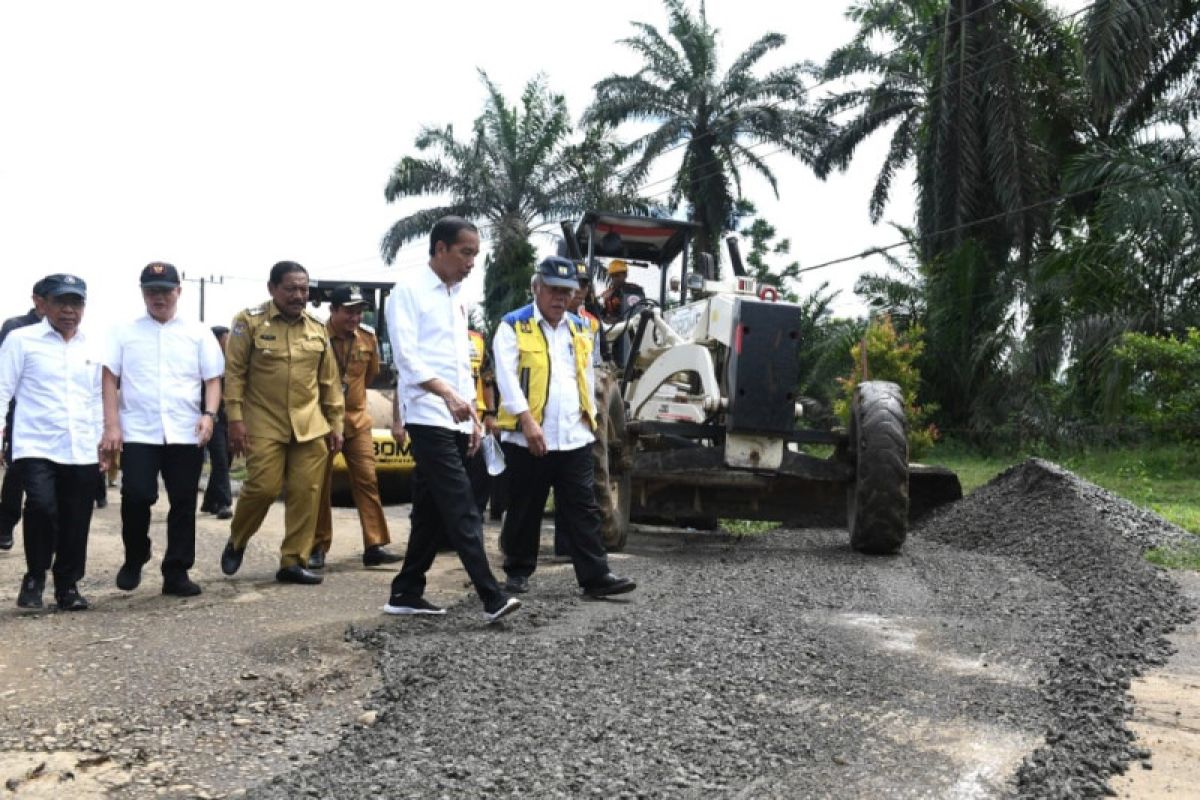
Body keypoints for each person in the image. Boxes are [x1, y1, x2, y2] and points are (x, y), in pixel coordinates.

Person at [382, 215, 520, 623]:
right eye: (465, 252)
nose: (471, 262)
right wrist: (446, 395)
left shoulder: (457, 297)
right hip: (427, 414)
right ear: (439, 249)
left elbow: (465, 367)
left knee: (430, 509)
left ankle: (406, 591)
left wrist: (473, 418)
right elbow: (406, 358)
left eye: (475, 254)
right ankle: (491, 596)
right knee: (461, 505)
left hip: (457, 418)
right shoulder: (408, 292)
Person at [493, 256, 636, 599]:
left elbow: (585, 376)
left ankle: (595, 576)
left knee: (583, 509)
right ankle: (517, 572)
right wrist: (526, 420)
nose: (560, 298)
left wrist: (590, 420)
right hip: (529, 437)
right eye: (554, 290)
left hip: (573, 436)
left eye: (567, 291)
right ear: (537, 287)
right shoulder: (514, 325)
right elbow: (507, 378)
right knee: (526, 506)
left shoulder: (580, 328)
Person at [101, 262, 225, 597]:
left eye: (165, 290)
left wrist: (209, 414)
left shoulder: (198, 332)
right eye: (152, 291)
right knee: (137, 495)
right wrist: (111, 424)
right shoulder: (124, 331)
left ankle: (177, 571)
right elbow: (109, 378)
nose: (159, 297)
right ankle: (136, 553)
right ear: (142, 292)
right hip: (139, 430)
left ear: (178, 292)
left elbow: (212, 379)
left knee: (184, 501)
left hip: (185, 430)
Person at [219, 261, 344, 585]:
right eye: (290, 288)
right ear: (272, 288)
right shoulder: (248, 322)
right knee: (264, 487)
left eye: (303, 289)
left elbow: (329, 382)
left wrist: (336, 424)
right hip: (263, 421)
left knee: (307, 491)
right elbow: (234, 373)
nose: (298, 295)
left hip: (310, 424)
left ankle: (293, 560)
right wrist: (234, 419)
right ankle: (237, 539)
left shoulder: (318, 329)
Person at [0, 274, 105, 611]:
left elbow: (98, 399)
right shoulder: (21, 340)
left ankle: (68, 585)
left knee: (77, 517)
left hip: (82, 446)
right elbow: (2, 389)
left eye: (76, 303)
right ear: (41, 304)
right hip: (36, 444)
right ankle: (35, 576)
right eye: (62, 302)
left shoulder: (93, 345)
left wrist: (105, 440)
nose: (69, 310)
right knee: (42, 507)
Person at [310, 285, 401, 570]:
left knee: (367, 481)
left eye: (359, 311)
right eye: (349, 311)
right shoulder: (316, 337)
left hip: (357, 420)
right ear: (333, 310)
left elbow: (371, 374)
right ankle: (317, 546)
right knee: (319, 485)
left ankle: (374, 545)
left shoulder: (368, 338)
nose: (355, 317)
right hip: (322, 422)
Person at [0, 279, 48, 551]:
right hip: (18, 412)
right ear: (36, 300)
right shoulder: (16, 327)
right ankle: (6, 523)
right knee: (17, 471)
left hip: (50, 414)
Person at [200, 325, 233, 519]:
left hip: (228, 417)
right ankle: (223, 503)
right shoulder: (207, 362)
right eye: (225, 339)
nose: (229, 343)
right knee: (219, 458)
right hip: (211, 417)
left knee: (226, 459)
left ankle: (210, 500)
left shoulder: (230, 363)